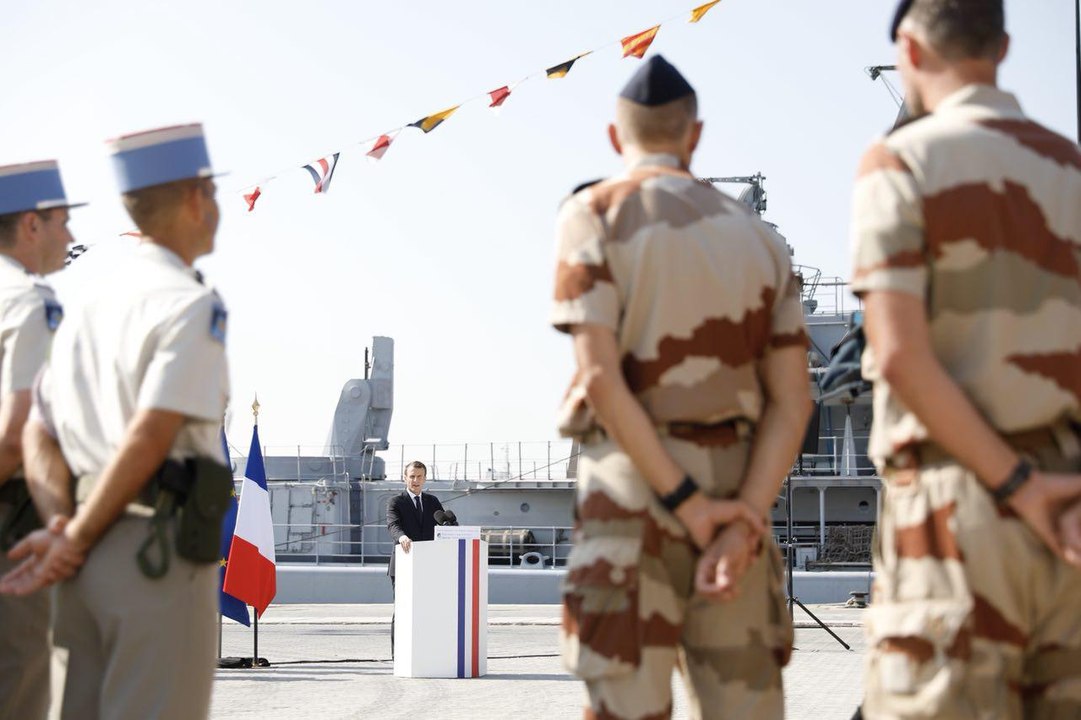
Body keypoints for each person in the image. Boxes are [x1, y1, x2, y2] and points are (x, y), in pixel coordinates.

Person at [551, 55, 812, 720]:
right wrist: (736, 522)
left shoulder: (593, 215)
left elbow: (603, 380)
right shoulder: (762, 242)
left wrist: (685, 506)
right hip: (736, 500)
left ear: (616, 139)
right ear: (694, 136)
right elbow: (792, 402)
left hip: (629, 497)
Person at [852, 1, 1081, 716]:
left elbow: (896, 355)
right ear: (1004, 46)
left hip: (953, 518)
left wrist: (1014, 482)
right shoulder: (1069, 167)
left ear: (909, 50)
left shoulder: (900, 161)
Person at [0, 124, 231, 720]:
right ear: (192, 197)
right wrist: (71, 537)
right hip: (157, 555)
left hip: (81, 567)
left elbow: (37, 431)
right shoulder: (187, 303)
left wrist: (64, 531)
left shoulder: (83, 306)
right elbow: (150, 435)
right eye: (211, 192)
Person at [0, 159, 80, 719]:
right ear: (31, 225)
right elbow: (15, 433)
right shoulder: (30, 302)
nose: (70, 236)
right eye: (61, 222)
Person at [386, 460, 445, 656]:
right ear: (405, 478)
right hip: (404, 564)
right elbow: (393, 525)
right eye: (412, 476)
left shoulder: (433, 502)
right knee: (402, 611)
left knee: (427, 610)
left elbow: (445, 524)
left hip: (428, 565)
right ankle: (398, 655)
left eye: (419, 476)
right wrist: (402, 537)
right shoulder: (396, 502)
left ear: (425, 478)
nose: (415, 480)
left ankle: (424, 652)